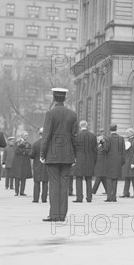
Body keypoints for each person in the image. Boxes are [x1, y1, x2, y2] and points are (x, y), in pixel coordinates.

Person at [40, 88, 78, 221]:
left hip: (53, 154)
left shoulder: (50, 113)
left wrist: (43, 153)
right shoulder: (73, 115)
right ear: (65, 98)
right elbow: (75, 137)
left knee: (54, 185)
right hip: (67, 155)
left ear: (54, 98)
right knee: (64, 184)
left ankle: (54, 214)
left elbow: (46, 135)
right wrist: (75, 154)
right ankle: (62, 215)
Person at [72, 120, 97, 203]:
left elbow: (74, 149)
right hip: (89, 159)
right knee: (89, 179)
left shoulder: (76, 136)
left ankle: (79, 197)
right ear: (87, 125)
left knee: (78, 178)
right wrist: (94, 160)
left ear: (80, 126)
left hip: (79, 159)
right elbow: (95, 150)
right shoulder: (92, 136)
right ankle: (89, 197)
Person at [103, 123, 125, 202]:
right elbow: (123, 151)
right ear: (116, 129)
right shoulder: (121, 138)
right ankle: (114, 197)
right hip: (118, 160)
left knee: (109, 179)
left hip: (109, 160)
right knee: (115, 179)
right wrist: (122, 161)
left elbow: (105, 149)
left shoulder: (107, 138)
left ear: (110, 129)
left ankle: (109, 197)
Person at [30, 128, 49, 203]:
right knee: (45, 182)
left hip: (37, 165)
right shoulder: (48, 143)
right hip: (46, 165)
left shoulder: (35, 144)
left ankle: (35, 199)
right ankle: (44, 199)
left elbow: (32, 155)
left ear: (39, 134)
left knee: (36, 183)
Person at [121, 128, 134, 198]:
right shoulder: (129, 141)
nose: (126, 134)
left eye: (127, 133)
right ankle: (126, 193)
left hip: (132, 162)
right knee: (127, 178)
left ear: (131, 133)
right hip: (127, 162)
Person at [12, 131, 32, 196]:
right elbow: (16, 151)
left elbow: (29, 152)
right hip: (18, 162)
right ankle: (16, 191)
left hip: (25, 162)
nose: (27, 136)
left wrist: (23, 151)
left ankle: (22, 191)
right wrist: (23, 151)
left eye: (27, 135)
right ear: (22, 136)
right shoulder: (17, 143)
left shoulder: (29, 144)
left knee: (24, 177)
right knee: (17, 177)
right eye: (25, 135)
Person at [92, 131, 108, 195]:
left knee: (98, 177)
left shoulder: (104, 145)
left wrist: (103, 142)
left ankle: (93, 191)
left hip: (102, 163)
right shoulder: (98, 145)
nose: (98, 140)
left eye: (99, 139)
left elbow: (105, 149)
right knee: (103, 178)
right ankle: (108, 190)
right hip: (99, 163)